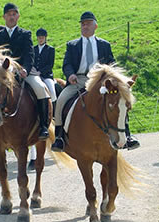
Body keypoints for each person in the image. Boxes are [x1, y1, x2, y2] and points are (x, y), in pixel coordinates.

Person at [51, 11, 140, 152]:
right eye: (83, 24)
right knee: (61, 100)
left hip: (101, 82)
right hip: (79, 80)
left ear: (95, 26)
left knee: (119, 100)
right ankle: (59, 137)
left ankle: (127, 135)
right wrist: (70, 75)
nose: (85, 26)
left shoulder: (104, 45)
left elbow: (111, 63)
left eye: (88, 23)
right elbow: (67, 64)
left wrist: (114, 80)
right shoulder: (72, 45)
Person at [0, 2, 50, 144]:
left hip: (21, 71)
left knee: (40, 88)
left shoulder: (25, 34)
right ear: (4, 17)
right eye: (9, 15)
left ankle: (43, 126)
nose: (11, 17)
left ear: (18, 16)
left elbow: (29, 54)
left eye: (14, 14)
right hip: (1, 73)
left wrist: (25, 69)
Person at [32, 28, 57, 108]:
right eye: (39, 38)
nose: (40, 39)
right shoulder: (33, 49)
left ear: (45, 38)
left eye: (42, 38)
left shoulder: (50, 49)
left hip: (46, 75)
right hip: (34, 75)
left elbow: (50, 65)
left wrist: (40, 72)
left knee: (52, 91)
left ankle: (53, 111)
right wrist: (33, 70)